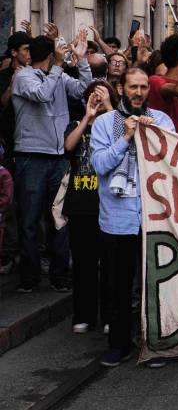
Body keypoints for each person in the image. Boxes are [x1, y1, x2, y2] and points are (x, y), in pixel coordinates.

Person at [90, 68, 175, 367]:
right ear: (121, 89)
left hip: (155, 217)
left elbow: (174, 164)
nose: (138, 93)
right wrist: (126, 137)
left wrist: (155, 138)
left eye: (143, 87)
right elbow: (99, 164)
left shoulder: (162, 121)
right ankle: (119, 345)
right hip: (118, 219)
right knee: (118, 286)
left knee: (155, 284)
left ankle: (153, 344)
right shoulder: (104, 123)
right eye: (133, 87)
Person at [12, 31, 92, 292]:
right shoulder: (22, 76)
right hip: (31, 156)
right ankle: (29, 277)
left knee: (59, 217)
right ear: (49, 55)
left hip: (58, 158)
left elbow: (84, 90)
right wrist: (58, 65)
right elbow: (42, 94)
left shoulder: (59, 75)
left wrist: (82, 61)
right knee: (30, 219)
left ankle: (60, 275)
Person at [64, 81, 117, 334]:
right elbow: (68, 146)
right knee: (83, 265)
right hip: (80, 205)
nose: (97, 100)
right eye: (93, 96)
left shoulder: (116, 123)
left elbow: (123, 140)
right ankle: (83, 315)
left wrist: (109, 107)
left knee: (110, 265)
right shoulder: (77, 124)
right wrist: (87, 118)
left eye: (102, 96)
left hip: (109, 205)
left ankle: (109, 316)